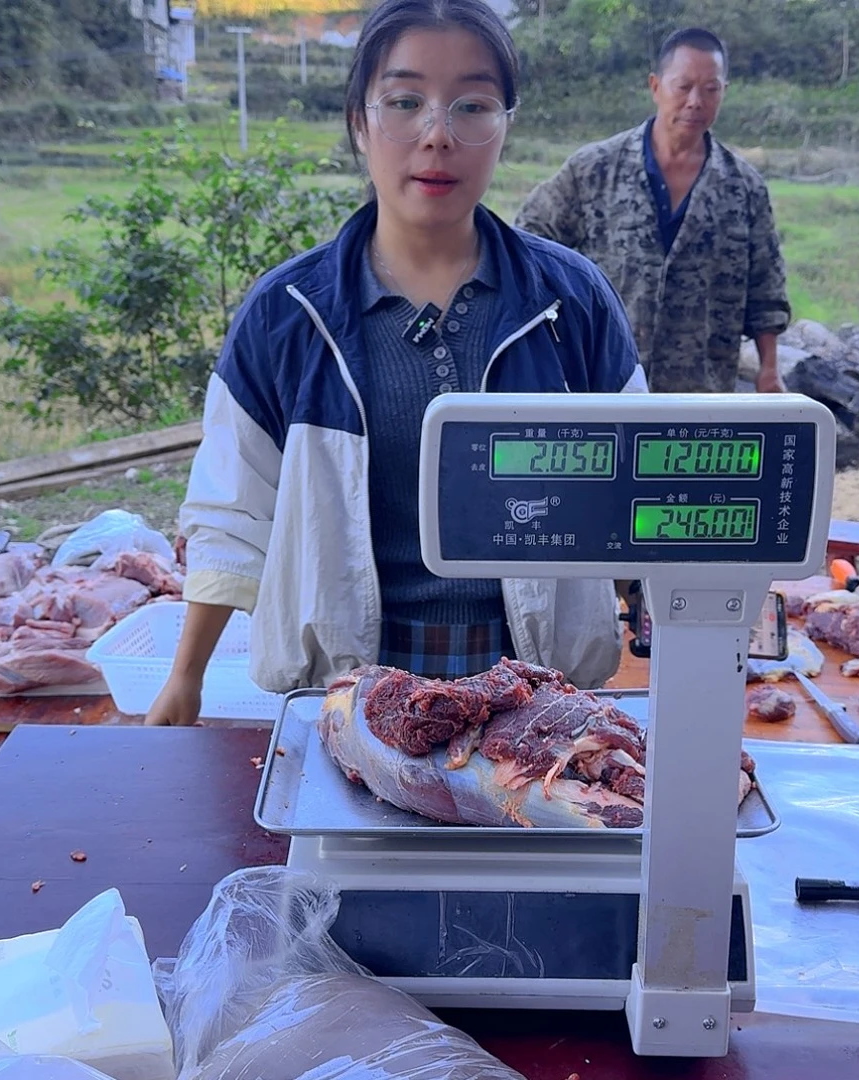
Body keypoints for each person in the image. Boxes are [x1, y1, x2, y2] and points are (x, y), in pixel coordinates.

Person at [145, 0, 645, 726]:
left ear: (505, 124)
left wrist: (676, 619)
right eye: (405, 101)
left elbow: (637, 493)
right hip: (344, 704)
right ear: (359, 120)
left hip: (538, 706)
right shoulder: (289, 314)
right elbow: (233, 511)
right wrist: (184, 679)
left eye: (472, 105)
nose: (437, 135)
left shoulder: (571, 303)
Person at [515, 27, 790, 395]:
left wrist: (768, 370)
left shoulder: (744, 188)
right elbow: (530, 242)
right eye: (684, 86)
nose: (696, 101)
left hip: (700, 391)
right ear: (656, 86)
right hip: (608, 383)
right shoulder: (594, 169)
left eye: (711, 89)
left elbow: (766, 289)